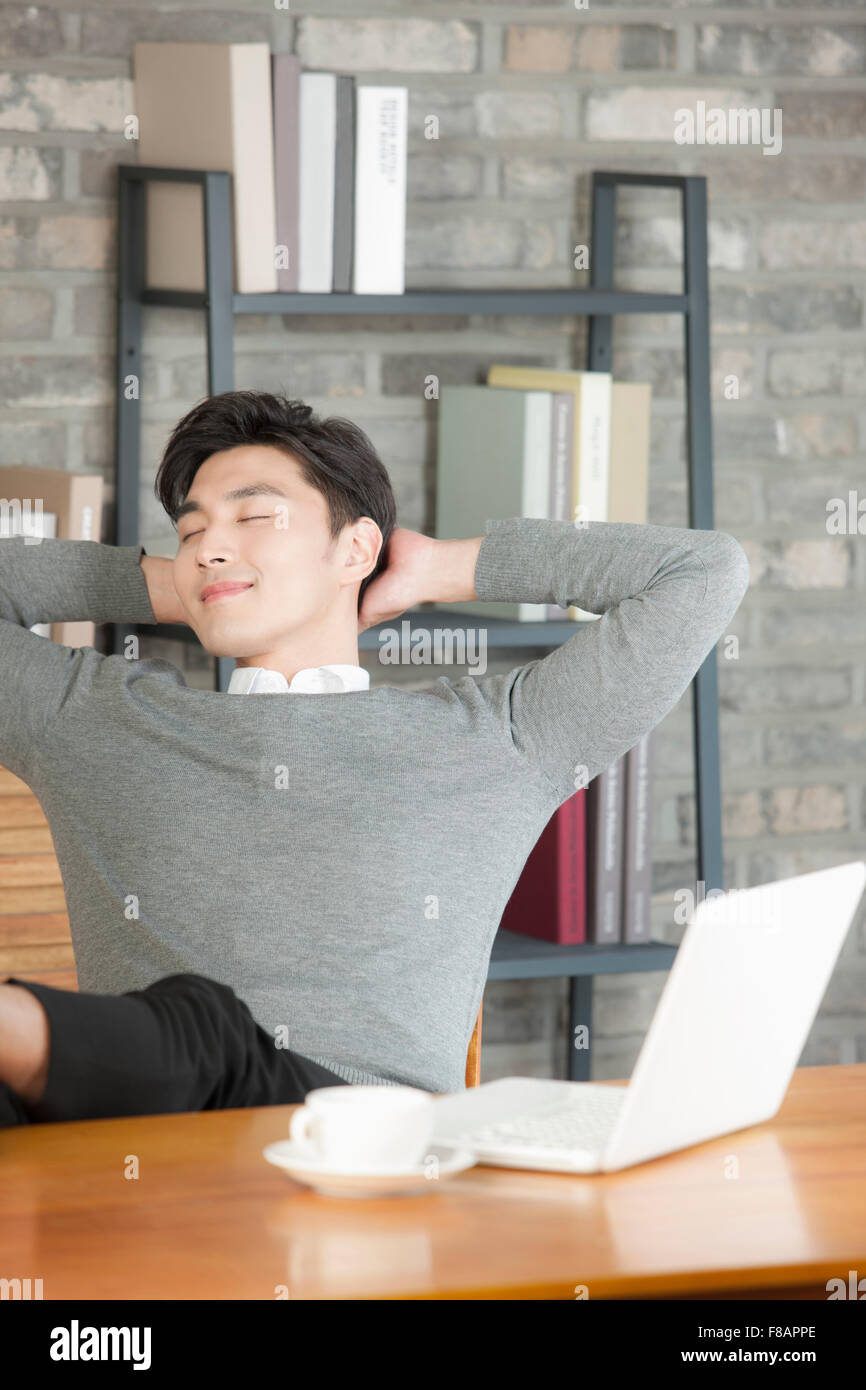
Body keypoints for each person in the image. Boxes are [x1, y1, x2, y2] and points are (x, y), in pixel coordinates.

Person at [0, 389, 750, 1128]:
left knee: (209, 1027)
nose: (210, 544)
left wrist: (444, 567)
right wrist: (183, 584)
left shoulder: (500, 736)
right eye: (191, 532)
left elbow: (701, 571)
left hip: (367, 1161)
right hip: (138, 1150)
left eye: (255, 516)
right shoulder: (94, 720)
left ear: (355, 548)